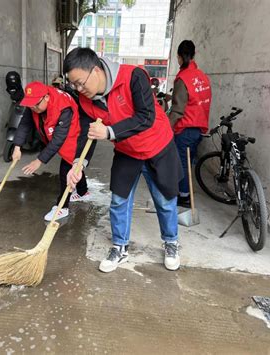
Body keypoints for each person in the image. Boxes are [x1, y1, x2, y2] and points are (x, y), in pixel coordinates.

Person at [63, 47, 183, 272]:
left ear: (96, 70)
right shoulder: (85, 99)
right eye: (74, 85)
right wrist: (79, 163)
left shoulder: (133, 77)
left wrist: (108, 132)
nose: (79, 89)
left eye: (81, 82)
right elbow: (84, 134)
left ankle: (171, 242)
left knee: (164, 199)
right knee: (119, 200)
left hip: (157, 145)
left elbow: (146, 116)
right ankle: (120, 247)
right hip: (127, 151)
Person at [12, 81, 91, 221]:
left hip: (73, 133)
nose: (33, 108)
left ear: (46, 97)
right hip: (59, 133)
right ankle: (83, 192)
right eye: (30, 105)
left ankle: (62, 207)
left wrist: (39, 160)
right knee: (75, 167)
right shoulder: (35, 103)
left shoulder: (63, 107)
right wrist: (17, 147)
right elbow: (25, 124)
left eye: (36, 104)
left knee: (67, 168)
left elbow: (58, 139)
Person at [169, 40, 212, 208]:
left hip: (185, 129)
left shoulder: (183, 79)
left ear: (179, 57)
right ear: (193, 55)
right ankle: (185, 192)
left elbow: (178, 110)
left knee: (182, 163)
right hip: (199, 129)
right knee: (188, 161)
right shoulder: (203, 77)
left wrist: (166, 128)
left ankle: (184, 196)